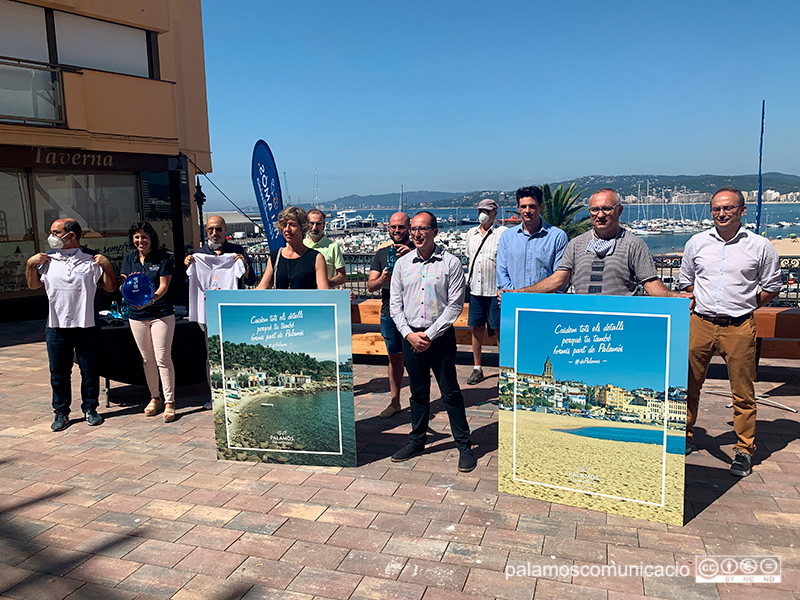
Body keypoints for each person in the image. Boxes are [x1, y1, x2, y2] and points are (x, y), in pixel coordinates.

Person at [679, 186, 781, 477]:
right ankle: (684, 438)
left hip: (739, 326)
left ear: (742, 211)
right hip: (699, 323)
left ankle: (744, 450)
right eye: (716, 209)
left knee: (743, 393)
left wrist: (746, 305)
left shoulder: (760, 246)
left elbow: (772, 287)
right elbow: (687, 282)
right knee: (688, 387)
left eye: (728, 208)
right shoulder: (696, 243)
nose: (722, 213)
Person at [389, 211, 475, 472]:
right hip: (411, 336)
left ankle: (464, 445)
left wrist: (430, 334)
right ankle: (417, 440)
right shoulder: (402, 264)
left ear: (435, 232)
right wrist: (408, 334)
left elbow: (455, 305)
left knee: (450, 392)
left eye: (423, 229)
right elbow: (395, 304)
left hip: (439, 337)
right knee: (417, 393)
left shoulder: (450, 263)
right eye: (414, 229)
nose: (416, 234)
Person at [26, 218, 116, 431]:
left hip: (87, 324)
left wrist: (108, 267)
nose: (51, 237)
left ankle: (90, 408)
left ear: (71, 235)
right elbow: (33, 285)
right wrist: (30, 265)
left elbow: (110, 288)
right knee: (58, 372)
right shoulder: (46, 260)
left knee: (90, 370)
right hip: (56, 325)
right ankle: (61, 412)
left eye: (55, 233)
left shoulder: (90, 260)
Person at [514, 188, 676, 297]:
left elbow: (650, 282)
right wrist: (521, 293)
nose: (600, 215)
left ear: (619, 210)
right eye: (595, 210)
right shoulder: (576, 244)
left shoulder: (634, 244)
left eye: (606, 209)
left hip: (619, 323)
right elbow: (558, 280)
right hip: (584, 323)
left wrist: (675, 296)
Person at [185, 215, 251, 409]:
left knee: (235, 354)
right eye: (211, 229)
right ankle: (214, 393)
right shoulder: (199, 254)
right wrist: (188, 263)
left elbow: (250, 279)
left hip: (233, 313)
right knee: (211, 355)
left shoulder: (237, 251)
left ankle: (235, 393)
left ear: (226, 230)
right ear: (207, 231)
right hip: (209, 313)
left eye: (219, 229)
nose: (215, 233)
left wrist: (243, 266)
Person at [121, 222, 178, 422]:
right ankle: (155, 397)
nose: (140, 241)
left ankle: (170, 401)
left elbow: (164, 286)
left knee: (163, 358)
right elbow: (125, 284)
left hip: (161, 314)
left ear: (151, 238)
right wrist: (130, 292)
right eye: (137, 237)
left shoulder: (163, 258)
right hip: (136, 316)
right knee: (147, 359)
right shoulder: (129, 259)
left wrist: (150, 300)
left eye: (144, 236)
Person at [367, 212, 414, 417]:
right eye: (393, 227)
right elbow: (370, 286)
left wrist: (412, 254)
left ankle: (419, 402)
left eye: (401, 227)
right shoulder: (382, 254)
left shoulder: (419, 251)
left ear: (409, 228)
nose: (396, 231)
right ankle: (395, 402)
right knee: (394, 358)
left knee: (416, 360)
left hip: (414, 314)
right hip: (389, 313)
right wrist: (383, 278)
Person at [464, 198, 507, 385]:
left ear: (495, 214)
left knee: (499, 330)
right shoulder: (470, 234)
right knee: (476, 328)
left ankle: (504, 370)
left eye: (488, 211)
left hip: (495, 290)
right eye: (481, 210)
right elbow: (468, 256)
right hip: (476, 290)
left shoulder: (502, 234)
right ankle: (477, 368)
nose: (483, 214)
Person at [496, 186, 568, 297]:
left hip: (545, 302)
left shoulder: (557, 236)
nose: (527, 211)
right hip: (513, 302)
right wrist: (511, 295)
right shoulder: (507, 236)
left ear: (541, 207)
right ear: (518, 208)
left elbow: (560, 277)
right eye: (523, 207)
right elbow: (501, 271)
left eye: (532, 206)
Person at [257, 207, 330, 290]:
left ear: (302, 228)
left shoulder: (316, 258)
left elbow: (324, 291)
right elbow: (262, 288)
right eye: (284, 225)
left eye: (292, 225)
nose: (287, 229)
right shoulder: (275, 257)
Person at [304, 209, 346, 287]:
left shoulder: (333, 247)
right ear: (306, 224)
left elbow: (342, 276)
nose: (314, 227)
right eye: (311, 223)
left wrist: (324, 283)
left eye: (318, 224)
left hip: (325, 295)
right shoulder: (301, 244)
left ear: (323, 226)